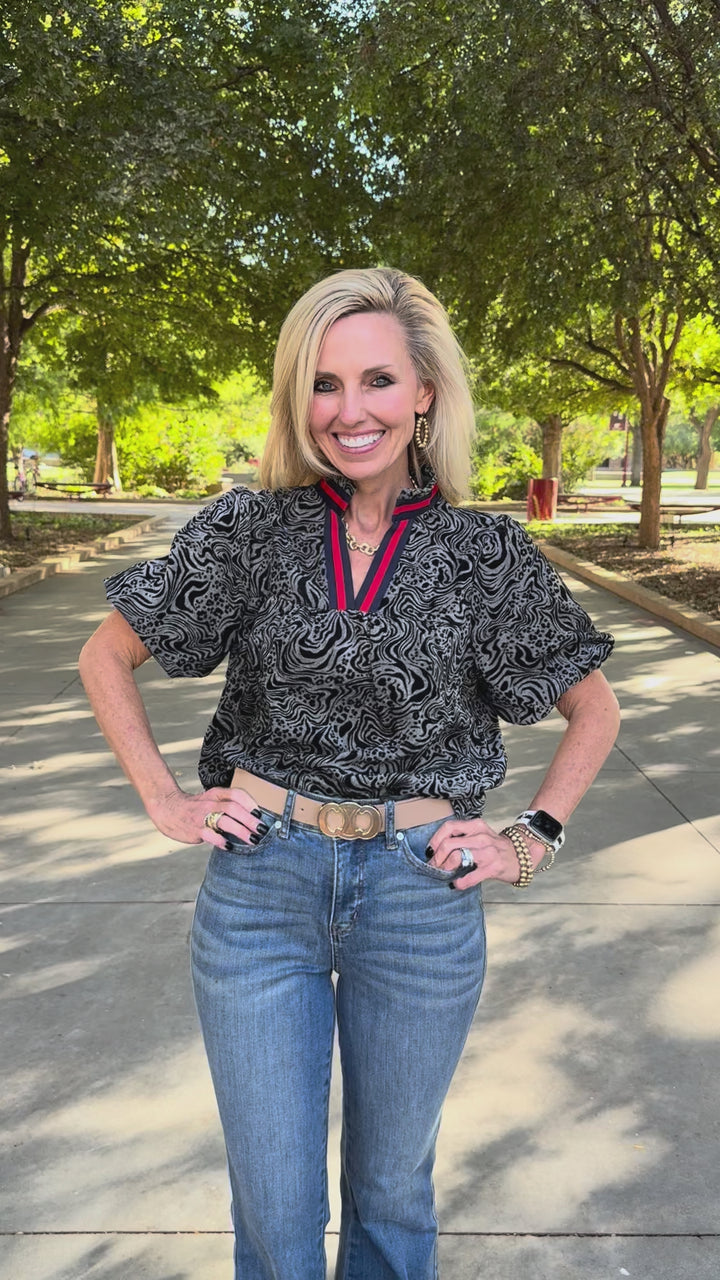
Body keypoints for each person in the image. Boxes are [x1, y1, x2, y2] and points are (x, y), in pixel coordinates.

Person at [79, 266, 620, 1280]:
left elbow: (593, 705)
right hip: (261, 891)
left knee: (390, 1197)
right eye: (324, 383)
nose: (348, 410)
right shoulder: (249, 531)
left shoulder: (484, 549)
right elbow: (107, 653)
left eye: (377, 380)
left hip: (420, 894)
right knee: (276, 1208)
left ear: (424, 393)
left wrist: (528, 839)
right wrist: (165, 797)